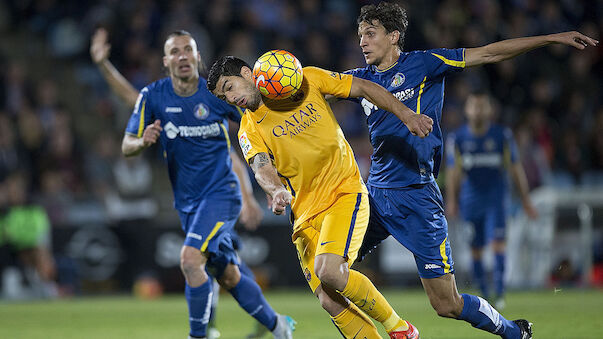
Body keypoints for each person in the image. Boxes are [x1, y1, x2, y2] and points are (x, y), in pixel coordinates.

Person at [345, 2, 598, 339]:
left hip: (418, 198)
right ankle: (388, 330)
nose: (362, 42)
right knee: (329, 270)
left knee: (446, 304)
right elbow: (310, 87)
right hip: (375, 197)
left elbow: (490, 53)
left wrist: (551, 38)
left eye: (370, 34)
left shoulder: (425, 64)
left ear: (393, 36)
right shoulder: (358, 80)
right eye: (361, 34)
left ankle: (513, 331)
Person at [207, 55, 432, 339]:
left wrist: (407, 114)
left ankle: (401, 329)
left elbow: (362, 87)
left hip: (343, 193)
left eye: (229, 87)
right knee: (328, 299)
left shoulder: (306, 79)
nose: (229, 98)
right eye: (222, 96)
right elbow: (261, 166)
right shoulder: (249, 127)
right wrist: (276, 190)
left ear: (246, 73)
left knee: (330, 272)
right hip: (303, 214)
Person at [92, 29, 294, 339]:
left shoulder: (214, 96)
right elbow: (127, 144)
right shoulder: (154, 97)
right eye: (175, 51)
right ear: (166, 61)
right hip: (187, 202)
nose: (183, 55)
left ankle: (200, 334)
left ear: (198, 57)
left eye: (188, 49)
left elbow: (254, 126)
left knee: (189, 259)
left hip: (222, 194)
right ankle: (278, 325)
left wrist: (265, 183)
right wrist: (142, 141)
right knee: (226, 273)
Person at [445, 93, 538, 309]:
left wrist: (525, 200)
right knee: (476, 249)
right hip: (470, 202)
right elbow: (453, 172)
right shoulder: (457, 138)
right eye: (474, 107)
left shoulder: (502, 136)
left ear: (489, 110)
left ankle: (500, 293)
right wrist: (452, 200)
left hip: (496, 200)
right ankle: (485, 293)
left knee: (498, 245)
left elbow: (515, 168)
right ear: (467, 110)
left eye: (482, 107)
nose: (478, 111)